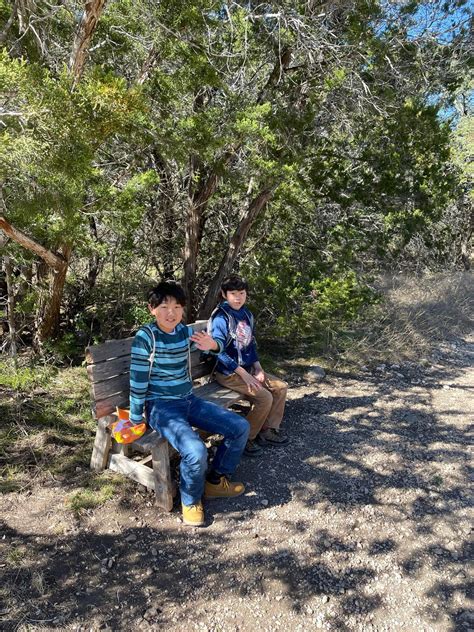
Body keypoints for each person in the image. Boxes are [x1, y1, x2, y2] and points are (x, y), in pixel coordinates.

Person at [129, 280, 249, 527]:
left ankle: (215, 481)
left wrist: (213, 344)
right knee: (195, 450)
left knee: (239, 427)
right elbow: (138, 379)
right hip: (161, 407)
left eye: (176, 306)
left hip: (189, 400)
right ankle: (190, 500)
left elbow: (214, 348)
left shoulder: (184, 331)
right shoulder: (146, 336)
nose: (170, 313)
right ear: (152, 309)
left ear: (183, 309)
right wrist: (135, 414)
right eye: (163, 306)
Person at [209, 274, 289, 457]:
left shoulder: (246, 314)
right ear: (224, 294)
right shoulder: (221, 318)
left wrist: (258, 368)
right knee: (264, 397)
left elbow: (250, 345)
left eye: (242, 293)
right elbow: (218, 352)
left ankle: (266, 430)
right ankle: (245, 439)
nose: (238, 297)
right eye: (233, 293)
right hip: (228, 373)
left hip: (247, 369)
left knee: (280, 387)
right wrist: (245, 375)